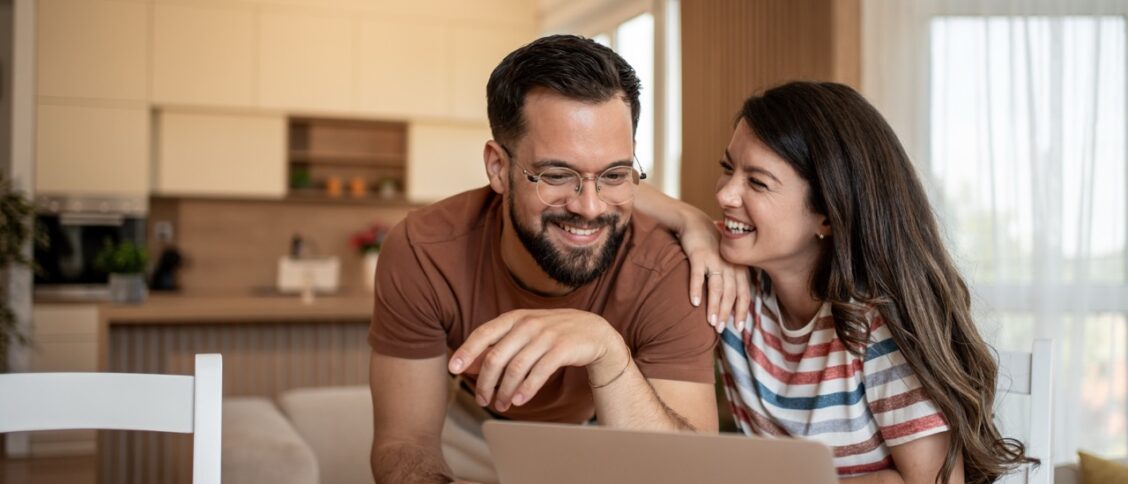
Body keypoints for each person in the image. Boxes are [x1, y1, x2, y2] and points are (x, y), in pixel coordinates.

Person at [367, 34, 746, 483]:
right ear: (497, 168)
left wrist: (607, 351)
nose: (589, 207)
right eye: (557, 175)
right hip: (470, 424)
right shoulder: (423, 251)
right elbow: (405, 443)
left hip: (613, 428)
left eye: (614, 174)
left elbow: (687, 473)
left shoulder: (669, 270)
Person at [643, 81, 1028, 483]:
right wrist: (692, 221)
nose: (725, 194)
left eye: (757, 182)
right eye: (728, 169)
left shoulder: (876, 329)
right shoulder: (736, 288)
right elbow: (609, 185)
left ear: (827, 214)